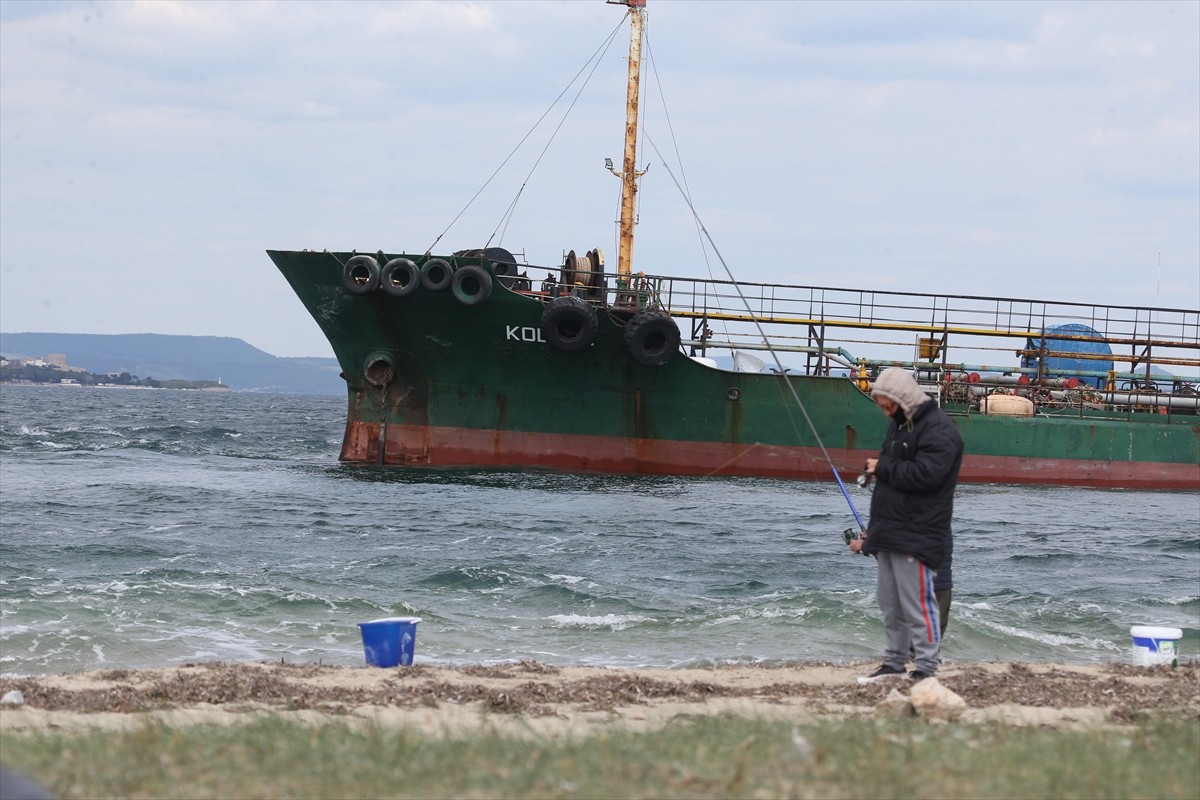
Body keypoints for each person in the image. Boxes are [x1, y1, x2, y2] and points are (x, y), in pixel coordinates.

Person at [849, 367, 963, 682]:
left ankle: (925, 669)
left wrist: (883, 467)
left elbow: (928, 476)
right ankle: (894, 664)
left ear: (903, 398)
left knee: (918, 606)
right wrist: (873, 473)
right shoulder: (899, 427)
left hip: (919, 532)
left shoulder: (940, 430)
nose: (884, 411)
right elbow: (893, 468)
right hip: (890, 530)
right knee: (890, 604)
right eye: (881, 405)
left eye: (887, 404)